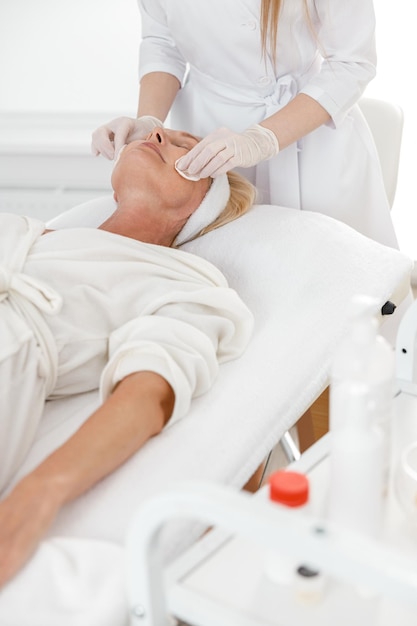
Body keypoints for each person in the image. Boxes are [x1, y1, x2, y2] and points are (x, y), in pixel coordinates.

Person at [0, 126, 255, 587]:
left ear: (201, 206)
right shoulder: (26, 234)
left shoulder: (182, 283)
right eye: (164, 133)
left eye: (184, 148)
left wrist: (36, 497)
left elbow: (147, 396)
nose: (157, 132)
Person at [91, 0, 399, 250]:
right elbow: (162, 42)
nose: (161, 138)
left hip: (308, 130)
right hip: (206, 124)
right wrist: (148, 120)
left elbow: (351, 63)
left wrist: (262, 139)